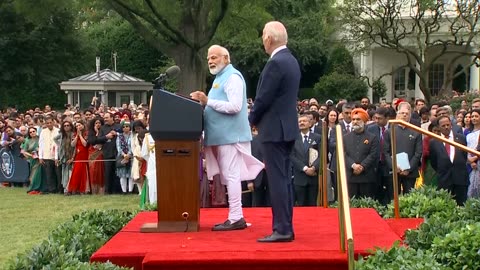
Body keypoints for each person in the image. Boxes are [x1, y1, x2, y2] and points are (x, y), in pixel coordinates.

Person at [190, 44, 263, 231]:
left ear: (226, 58)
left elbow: (235, 106)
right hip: (222, 136)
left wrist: (207, 101)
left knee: (231, 176)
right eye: (208, 58)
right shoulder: (220, 79)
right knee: (229, 176)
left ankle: (236, 217)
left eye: (214, 57)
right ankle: (235, 215)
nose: (211, 61)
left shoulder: (232, 77)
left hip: (230, 136)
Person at [248, 21, 301, 243]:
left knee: (278, 180)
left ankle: (282, 229)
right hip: (286, 129)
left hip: (274, 130)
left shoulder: (275, 63)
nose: (262, 40)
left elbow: (263, 98)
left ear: (269, 39)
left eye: (263, 36)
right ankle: (285, 225)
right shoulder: (291, 60)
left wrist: (250, 120)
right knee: (284, 179)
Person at [429, 116, 468, 205]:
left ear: (451, 125)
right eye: (443, 126)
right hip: (444, 180)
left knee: (461, 206)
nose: (446, 127)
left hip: (460, 179)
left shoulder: (461, 138)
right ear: (439, 127)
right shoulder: (434, 142)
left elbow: (464, 156)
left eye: (448, 125)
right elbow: (434, 162)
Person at [344, 108, 379, 199]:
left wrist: (362, 166)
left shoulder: (372, 137)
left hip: (367, 177)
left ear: (364, 121)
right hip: (351, 176)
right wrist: (353, 165)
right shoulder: (345, 138)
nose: (355, 122)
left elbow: (373, 154)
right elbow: (343, 154)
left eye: (358, 119)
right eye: (353, 119)